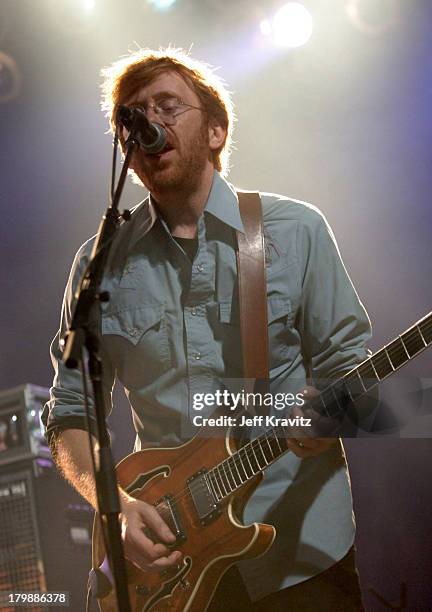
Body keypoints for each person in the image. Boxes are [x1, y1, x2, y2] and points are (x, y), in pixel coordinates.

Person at [42, 48, 371, 611]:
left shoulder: (294, 230)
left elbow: (352, 372)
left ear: (216, 131)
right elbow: (71, 411)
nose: (150, 123)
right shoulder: (99, 264)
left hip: (298, 551)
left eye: (167, 106)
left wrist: (333, 413)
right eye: (133, 116)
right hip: (171, 560)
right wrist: (113, 508)